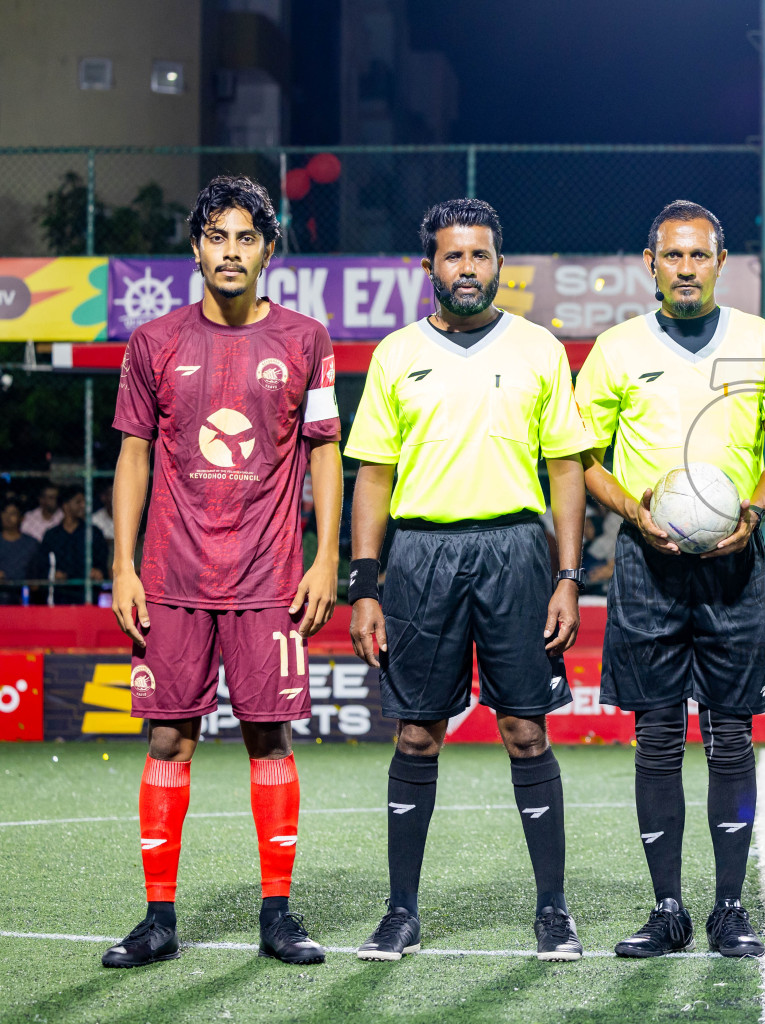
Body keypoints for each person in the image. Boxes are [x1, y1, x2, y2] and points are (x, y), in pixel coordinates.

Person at [103, 175, 343, 968]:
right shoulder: (155, 342)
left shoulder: (306, 341)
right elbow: (134, 453)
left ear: (269, 250)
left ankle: (278, 914)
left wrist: (326, 555)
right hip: (170, 577)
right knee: (168, 737)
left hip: (270, 577)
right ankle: (158, 919)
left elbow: (325, 453)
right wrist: (122, 563)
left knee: (268, 735)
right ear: (197, 247)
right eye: (217, 236)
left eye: (246, 237)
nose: (230, 251)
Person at [346, 198, 592, 962]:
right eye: (453, 257)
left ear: (498, 264)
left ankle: (553, 911)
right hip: (420, 556)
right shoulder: (395, 355)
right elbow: (373, 475)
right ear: (430, 268)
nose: (467, 269)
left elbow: (567, 470)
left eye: (480, 256)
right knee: (417, 732)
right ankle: (401, 912)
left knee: (525, 729)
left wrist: (568, 575)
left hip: (517, 551)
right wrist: (364, 583)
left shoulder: (539, 349)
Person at [574, 200, 765, 958]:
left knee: (731, 738)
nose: (687, 268)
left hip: (735, 566)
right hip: (647, 564)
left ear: (721, 264)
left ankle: (729, 909)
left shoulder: (763, 344)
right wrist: (635, 511)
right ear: (651, 262)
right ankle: (667, 908)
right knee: (658, 738)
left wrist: (756, 511)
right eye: (674, 256)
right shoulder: (616, 348)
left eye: (700, 256)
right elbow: (581, 459)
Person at [37, 485, 111, 600]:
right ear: (65, 506)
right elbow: (42, 564)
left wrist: (99, 571)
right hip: (59, 594)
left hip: (86, 594)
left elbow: (102, 562)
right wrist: (53, 574)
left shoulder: (93, 532)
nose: (83, 506)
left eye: (84, 502)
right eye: (78, 502)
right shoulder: (52, 535)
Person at [0, 499, 40, 603]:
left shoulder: (31, 544)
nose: (8, 517)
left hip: (23, 595)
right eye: (4, 513)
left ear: (22, 518)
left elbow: (36, 576)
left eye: (13, 513)